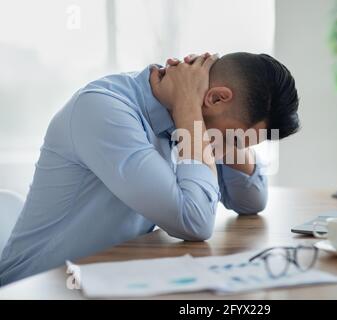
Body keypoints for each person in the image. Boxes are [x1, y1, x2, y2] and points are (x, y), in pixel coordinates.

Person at [0, 52, 300, 286]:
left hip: (108, 280)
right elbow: (194, 221)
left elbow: (251, 200)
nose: (234, 145)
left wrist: (207, 124)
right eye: (237, 135)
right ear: (216, 98)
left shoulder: (191, 118)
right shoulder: (104, 110)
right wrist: (189, 111)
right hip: (37, 288)